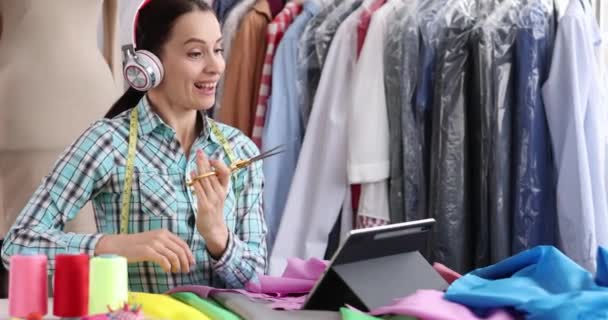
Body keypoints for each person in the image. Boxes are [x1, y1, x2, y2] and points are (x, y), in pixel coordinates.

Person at [1, 0, 267, 293]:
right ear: (149, 64)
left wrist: (219, 238)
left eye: (217, 50)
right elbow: (18, 244)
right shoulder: (109, 143)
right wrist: (115, 245)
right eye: (195, 53)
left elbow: (257, 280)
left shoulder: (239, 150)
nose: (216, 66)